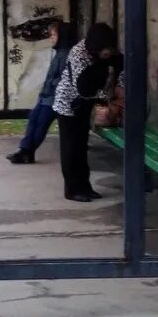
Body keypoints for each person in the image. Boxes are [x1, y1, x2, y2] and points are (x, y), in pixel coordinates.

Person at [52, 22, 120, 201]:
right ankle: (73, 189)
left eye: (109, 49)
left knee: (81, 147)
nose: (107, 53)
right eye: (103, 50)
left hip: (84, 105)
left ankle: (85, 186)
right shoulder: (79, 54)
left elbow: (120, 68)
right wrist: (105, 96)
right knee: (71, 148)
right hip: (69, 104)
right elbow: (83, 89)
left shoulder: (106, 53)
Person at [6, 20, 74, 164]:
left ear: (62, 36)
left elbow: (64, 78)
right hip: (46, 96)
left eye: (54, 35)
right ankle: (25, 151)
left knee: (40, 124)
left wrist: (50, 85)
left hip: (55, 98)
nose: (51, 38)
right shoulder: (60, 53)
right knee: (33, 120)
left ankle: (27, 152)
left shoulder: (67, 54)